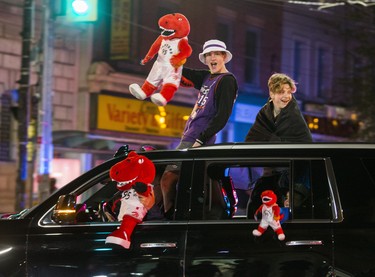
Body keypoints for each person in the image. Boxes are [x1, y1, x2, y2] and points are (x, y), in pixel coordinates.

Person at [160, 39, 238, 217]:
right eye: (209, 55)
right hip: (191, 135)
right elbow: (181, 71)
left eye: (216, 54)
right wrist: (169, 55)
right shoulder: (207, 77)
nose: (212, 58)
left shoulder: (227, 81)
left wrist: (200, 139)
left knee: (168, 177)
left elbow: (222, 116)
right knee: (186, 182)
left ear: (224, 57)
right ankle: (178, 216)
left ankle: (169, 218)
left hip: (198, 138)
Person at [245, 73, 313, 143]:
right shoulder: (263, 113)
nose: (286, 96)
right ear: (272, 94)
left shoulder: (295, 117)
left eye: (289, 92)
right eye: (282, 92)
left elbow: (305, 145)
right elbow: (251, 140)